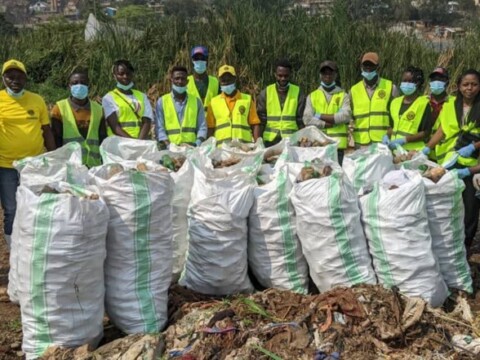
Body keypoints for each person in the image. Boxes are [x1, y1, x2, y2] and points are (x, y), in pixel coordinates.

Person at [0, 59, 55, 248]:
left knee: (36, 205)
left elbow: (46, 130)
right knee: (11, 210)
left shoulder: (37, 100)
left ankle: (34, 245)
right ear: (3, 78)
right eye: (10, 76)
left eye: (19, 76)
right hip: (6, 166)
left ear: (25, 78)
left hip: (34, 164)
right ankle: (15, 250)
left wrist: (53, 157)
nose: (14, 80)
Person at [423, 69, 480, 247]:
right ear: (458, 86)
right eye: (465, 84)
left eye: (474, 84)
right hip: (451, 161)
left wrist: (473, 146)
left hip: (473, 165)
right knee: (450, 204)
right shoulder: (450, 106)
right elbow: (442, 130)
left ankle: (466, 244)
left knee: (470, 208)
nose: (469, 88)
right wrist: (426, 149)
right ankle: (450, 242)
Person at [51, 68, 107, 167]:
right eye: (75, 83)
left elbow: (102, 138)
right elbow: (56, 139)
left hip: (94, 166)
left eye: (83, 82)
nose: (79, 85)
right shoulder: (59, 108)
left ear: (88, 86)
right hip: (70, 166)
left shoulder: (99, 109)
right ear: (69, 86)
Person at [303, 60, 351, 164]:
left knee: (337, 178)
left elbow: (346, 116)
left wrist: (318, 115)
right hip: (318, 146)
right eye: (324, 73)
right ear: (320, 75)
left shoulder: (343, 95)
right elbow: (307, 119)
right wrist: (326, 124)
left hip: (337, 146)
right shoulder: (312, 96)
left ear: (335, 75)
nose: (327, 76)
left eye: (330, 73)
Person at [350, 52, 398, 147]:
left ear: (378, 68)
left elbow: (396, 117)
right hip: (361, 143)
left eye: (371, 66)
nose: (368, 69)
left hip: (382, 142)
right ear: (361, 67)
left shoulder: (390, 87)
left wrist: (390, 135)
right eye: (365, 65)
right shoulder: (353, 90)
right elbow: (350, 116)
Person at [206, 65, 260, 145]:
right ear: (219, 81)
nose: (226, 82)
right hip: (222, 150)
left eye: (229, 79)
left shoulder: (247, 99)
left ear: (235, 79)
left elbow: (254, 124)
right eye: (223, 80)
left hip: (244, 148)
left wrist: (257, 145)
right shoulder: (213, 102)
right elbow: (210, 127)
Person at [257, 58, 306, 147]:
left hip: (291, 141)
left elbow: (301, 120)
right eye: (280, 75)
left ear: (290, 75)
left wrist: (303, 140)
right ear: (275, 75)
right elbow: (261, 120)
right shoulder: (266, 93)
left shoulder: (298, 92)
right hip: (269, 141)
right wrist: (258, 143)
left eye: (286, 76)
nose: (283, 78)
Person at [155, 66, 207, 148]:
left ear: (187, 81)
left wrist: (197, 143)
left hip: (191, 149)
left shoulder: (196, 102)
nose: (180, 81)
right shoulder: (162, 101)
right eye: (177, 78)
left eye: (183, 79)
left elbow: (202, 127)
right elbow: (159, 128)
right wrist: (169, 146)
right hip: (170, 149)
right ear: (171, 79)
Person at [102, 59, 153, 139]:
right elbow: (115, 127)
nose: (125, 76)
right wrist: (132, 143)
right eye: (121, 74)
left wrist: (138, 143)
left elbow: (147, 122)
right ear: (114, 76)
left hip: (140, 143)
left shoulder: (142, 96)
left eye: (128, 73)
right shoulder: (108, 98)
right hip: (119, 144)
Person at [385, 66, 431, 151]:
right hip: (395, 151)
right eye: (404, 81)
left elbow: (426, 133)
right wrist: (387, 136)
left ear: (417, 83)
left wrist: (405, 140)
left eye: (410, 81)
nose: (406, 83)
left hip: (413, 153)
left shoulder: (423, 104)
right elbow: (392, 126)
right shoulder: (395, 102)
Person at [424, 67, 454, 161]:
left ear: (447, 82)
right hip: (421, 152)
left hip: (443, 156)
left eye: (440, 79)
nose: (436, 82)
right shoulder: (421, 101)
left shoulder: (454, 102)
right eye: (434, 79)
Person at [187, 45, 219, 110]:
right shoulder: (186, 81)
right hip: (193, 119)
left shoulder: (215, 82)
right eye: (197, 59)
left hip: (210, 119)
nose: (199, 61)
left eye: (202, 58)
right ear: (192, 61)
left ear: (207, 61)